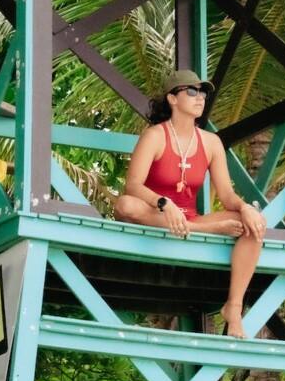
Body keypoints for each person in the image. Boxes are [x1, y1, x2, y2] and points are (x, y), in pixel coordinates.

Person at [114, 69, 267, 338]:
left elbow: (227, 195)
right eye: (192, 91)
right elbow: (134, 185)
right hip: (154, 213)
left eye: (204, 92)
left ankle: (233, 306)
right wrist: (164, 203)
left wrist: (245, 208)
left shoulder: (211, 142)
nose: (200, 98)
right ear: (172, 99)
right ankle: (204, 231)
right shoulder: (155, 136)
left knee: (252, 224)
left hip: (189, 218)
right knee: (125, 205)